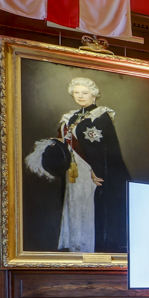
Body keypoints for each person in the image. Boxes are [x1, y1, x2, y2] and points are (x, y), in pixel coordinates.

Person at [24, 76, 130, 253]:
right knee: (74, 203)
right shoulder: (70, 116)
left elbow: (107, 150)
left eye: (85, 93)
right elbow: (66, 140)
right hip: (73, 169)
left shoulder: (101, 116)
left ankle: (89, 246)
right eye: (76, 93)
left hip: (91, 170)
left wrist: (97, 170)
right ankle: (76, 245)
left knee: (90, 206)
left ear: (94, 95)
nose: (80, 96)